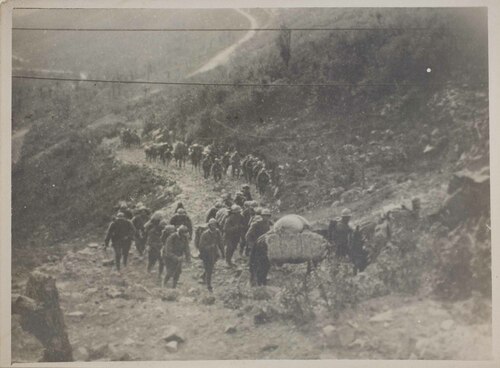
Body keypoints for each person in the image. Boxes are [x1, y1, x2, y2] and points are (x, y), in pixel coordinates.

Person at [247, 208, 272, 286]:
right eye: (265, 216)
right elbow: (248, 235)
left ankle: (263, 280)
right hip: (256, 247)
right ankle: (255, 281)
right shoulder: (256, 224)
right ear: (262, 216)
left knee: (266, 264)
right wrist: (252, 245)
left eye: (268, 216)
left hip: (265, 247)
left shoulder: (268, 224)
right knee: (255, 264)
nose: (266, 217)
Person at [198, 218, 224, 292]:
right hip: (206, 254)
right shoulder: (205, 234)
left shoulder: (217, 232)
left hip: (214, 253)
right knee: (209, 269)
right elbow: (201, 246)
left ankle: (203, 276)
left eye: (215, 225)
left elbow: (221, 242)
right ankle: (209, 285)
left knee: (210, 267)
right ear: (209, 226)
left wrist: (223, 252)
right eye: (212, 225)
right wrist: (210, 247)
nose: (214, 226)